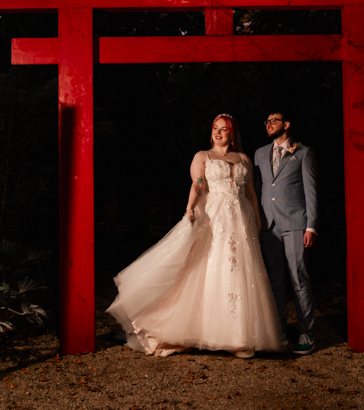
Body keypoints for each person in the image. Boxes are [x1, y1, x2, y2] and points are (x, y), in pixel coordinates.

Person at [106, 114, 283, 358]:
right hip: (216, 217)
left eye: (224, 129)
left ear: (233, 134)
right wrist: (190, 207)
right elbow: (198, 184)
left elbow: (250, 192)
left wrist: (258, 220)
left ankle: (241, 336)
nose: (219, 132)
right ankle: (209, 332)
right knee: (214, 267)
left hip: (241, 220)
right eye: (215, 128)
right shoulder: (203, 156)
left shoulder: (243, 158)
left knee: (243, 271)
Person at [254, 111, 318, 355]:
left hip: (295, 224)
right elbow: (259, 190)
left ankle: (306, 333)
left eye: (274, 120)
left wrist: (311, 225)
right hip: (269, 227)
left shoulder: (303, 152)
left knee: (299, 279)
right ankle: (279, 329)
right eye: (267, 121)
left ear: (287, 124)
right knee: (275, 282)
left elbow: (311, 191)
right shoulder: (260, 153)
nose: (269, 124)